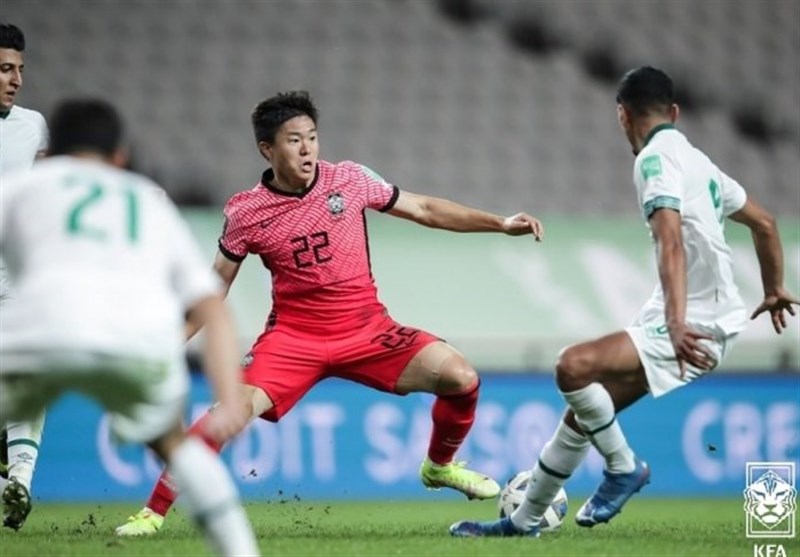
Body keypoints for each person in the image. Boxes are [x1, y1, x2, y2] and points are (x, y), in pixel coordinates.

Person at [115, 90, 545, 536]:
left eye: (312, 137)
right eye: (294, 140)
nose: (307, 149)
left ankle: (439, 466)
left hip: (367, 329)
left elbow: (423, 209)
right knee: (228, 414)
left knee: (461, 377)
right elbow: (215, 287)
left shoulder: (350, 179)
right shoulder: (246, 212)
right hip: (294, 339)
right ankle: (152, 513)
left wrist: (499, 223)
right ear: (267, 149)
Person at [449, 65, 799, 538]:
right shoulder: (698, 161)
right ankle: (522, 522)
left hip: (695, 320)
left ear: (622, 115)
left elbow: (670, 242)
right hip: (701, 314)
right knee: (584, 413)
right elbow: (766, 223)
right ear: (674, 112)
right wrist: (774, 288)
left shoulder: (654, 161)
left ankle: (623, 467)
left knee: (572, 367)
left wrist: (676, 322)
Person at [0, 98, 260, 556]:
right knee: (175, 445)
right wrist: (229, 395)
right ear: (120, 156)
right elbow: (211, 307)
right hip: (134, 339)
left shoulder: (20, 189)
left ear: (51, 153)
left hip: (37, 330)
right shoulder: (146, 199)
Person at [0, 22, 49, 531]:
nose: (15, 80)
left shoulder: (33, 125)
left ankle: (19, 482)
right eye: (3, 69)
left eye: (18, 69)